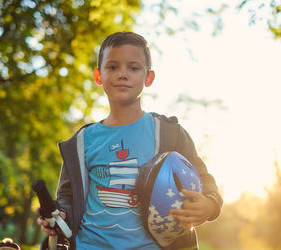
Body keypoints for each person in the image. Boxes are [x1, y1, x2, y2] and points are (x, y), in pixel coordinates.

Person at [36, 31, 222, 249]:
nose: (123, 74)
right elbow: (67, 196)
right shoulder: (82, 141)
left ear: (148, 77)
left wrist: (210, 204)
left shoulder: (169, 133)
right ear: (98, 76)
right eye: (113, 67)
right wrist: (60, 217)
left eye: (133, 68)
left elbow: (204, 177)